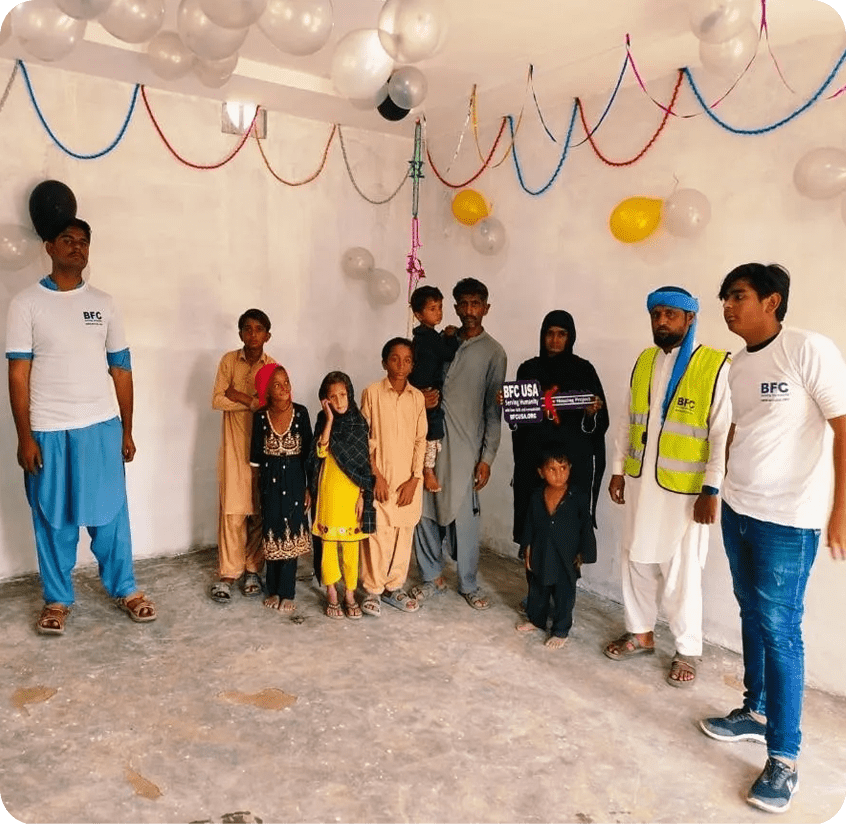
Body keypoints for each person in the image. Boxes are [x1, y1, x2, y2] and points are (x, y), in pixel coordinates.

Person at [700, 263, 846, 814]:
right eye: (725, 298)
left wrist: (841, 511)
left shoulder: (809, 350)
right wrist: (719, 485)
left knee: (781, 630)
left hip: (791, 520)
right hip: (741, 510)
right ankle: (753, 712)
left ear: (772, 301)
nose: (728, 308)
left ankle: (784, 758)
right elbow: (740, 430)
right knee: (750, 613)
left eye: (737, 296)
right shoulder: (736, 364)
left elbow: (844, 426)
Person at [5, 217, 156, 634]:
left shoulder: (105, 304)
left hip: (100, 428)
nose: (77, 247)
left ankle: (126, 588)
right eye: (68, 240)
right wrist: (24, 437)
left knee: (111, 517)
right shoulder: (26, 304)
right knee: (53, 519)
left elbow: (121, 369)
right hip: (49, 432)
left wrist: (126, 429)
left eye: (84, 242)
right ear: (49, 247)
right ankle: (56, 600)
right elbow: (18, 375)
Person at [604, 286, 731, 688]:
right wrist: (618, 469)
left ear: (690, 319)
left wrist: (711, 490)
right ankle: (640, 633)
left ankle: (688, 649)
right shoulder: (645, 360)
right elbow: (628, 419)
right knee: (636, 562)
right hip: (643, 486)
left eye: (671, 315)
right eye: (656, 314)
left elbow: (723, 432)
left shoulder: (714, 364)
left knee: (682, 574)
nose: (662, 321)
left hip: (686, 495)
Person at [411, 278, 507, 610]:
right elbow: (414, 380)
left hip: (467, 450)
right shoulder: (438, 344)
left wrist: (487, 457)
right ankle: (430, 577)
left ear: (486, 308)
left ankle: (468, 583)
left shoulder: (494, 352)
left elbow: (493, 411)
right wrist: (418, 397)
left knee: (465, 517)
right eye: (463, 304)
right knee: (423, 511)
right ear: (454, 307)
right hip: (428, 442)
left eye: (475, 304)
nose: (469, 311)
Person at [510, 309, 609, 541]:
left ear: (570, 337)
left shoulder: (584, 370)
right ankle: (533, 573)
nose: (555, 340)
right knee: (533, 529)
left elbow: (599, 423)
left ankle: (567, 577)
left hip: (570, 464)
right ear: (542, 336)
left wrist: (590, 414)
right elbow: (519, 422)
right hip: (535, 462)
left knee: (567, 532)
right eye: (550, 334)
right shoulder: (528, 369)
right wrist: (509, 408)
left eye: (561, 334)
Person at [210, 308, 275, 604]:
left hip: (263, 448)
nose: (252, 334)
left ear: (268, 335)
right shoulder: (228, 361)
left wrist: (240, 396)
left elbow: (273, 406)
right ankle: (228, 572)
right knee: (233, 512)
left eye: (258, 329)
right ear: (240, 334)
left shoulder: (272, 367)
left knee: (259, 510)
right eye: (247, 329)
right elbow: (217, 398)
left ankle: (252, 569)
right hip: (234, 448)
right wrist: (249, 401)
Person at [360, 338, 428, 616]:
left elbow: (420, 440)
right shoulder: (372, 393)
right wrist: (375, 475)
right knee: (377, 534)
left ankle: (393, 587)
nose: (401, 365)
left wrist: (415, 479)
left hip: (408, 481)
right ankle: (372, 590)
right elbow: (365, 439)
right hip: (381, 477)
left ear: (413, 365)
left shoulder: (417, 397)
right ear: (384, 362)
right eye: (395, 359)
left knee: (403, 533)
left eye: (407, 360)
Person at [308, 371, 375, 620]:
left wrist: (362, 496)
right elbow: (320, 453)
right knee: (328, 546)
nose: (339, 401)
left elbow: (364, 464)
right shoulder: (323, 420)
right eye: (333, 397)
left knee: (350, 548)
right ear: (325, 400)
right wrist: (328, 420)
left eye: (343, 395)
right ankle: (332, 593)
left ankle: (349, 594)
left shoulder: (359, 422)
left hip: (351, 495)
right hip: (328, 493)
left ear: (350, 394)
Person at [515, 445, 597, 649]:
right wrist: (527, 549)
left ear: (570, 469)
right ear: (541, 472)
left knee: (564, 594)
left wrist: (582, 553)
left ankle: (561, 630)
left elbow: (586, 525)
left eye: (563, 468)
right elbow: (530, 524)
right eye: (552, 469)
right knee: (538, 589)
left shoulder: (577, 496)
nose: (559, 474)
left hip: (566, 556)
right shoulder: (536, 495)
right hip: (541, 552)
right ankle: (536, 620)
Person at [249, 364, 312, 614]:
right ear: (266, 390)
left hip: (296, 484)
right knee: (272, 534)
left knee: (291, 537)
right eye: (277, 385)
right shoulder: (261, 417)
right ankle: (272, 589)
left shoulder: (301, 413)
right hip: (270, 485)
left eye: (286, 382)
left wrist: (309, 488)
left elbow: (309, 455)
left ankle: (287, 592)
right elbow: (255, 458)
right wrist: (257, 490)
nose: (284, 388)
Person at [408, 285, 460, 493]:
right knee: (433, 431)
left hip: (421, 388)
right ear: (419, 314)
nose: (438, 312)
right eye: (432, 309)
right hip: (427, 391)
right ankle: (427, 470)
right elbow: (448, 354)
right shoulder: (429, 338)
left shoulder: (421, 336)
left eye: (439, 307)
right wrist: (451, 337)